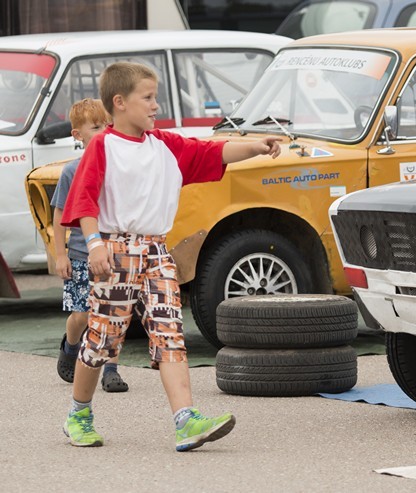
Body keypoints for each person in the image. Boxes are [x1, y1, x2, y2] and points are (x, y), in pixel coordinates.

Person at [60, 61, 281, 451]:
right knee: (102, 340)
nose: (155, 105)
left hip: (157, 250)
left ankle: (186, 420)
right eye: (147, 98)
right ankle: (79, 413)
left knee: (169, 332)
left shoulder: (164, 144)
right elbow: (85, 199)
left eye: (155, 97)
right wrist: (94, 244)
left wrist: (257, 146)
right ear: (120, 102)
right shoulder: (102, 145)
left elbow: (213, 151)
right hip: (115, 251)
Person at [52, 98, 129, 393]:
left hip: (115, 253)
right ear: (77, 134)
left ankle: (110, 369)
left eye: (106, 125)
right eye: (96, 126)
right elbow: (59, 215)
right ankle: (71, 346)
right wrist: (60, 255)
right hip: (82, 254)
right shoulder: (72, 171)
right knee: (82, 315)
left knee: (114, 313)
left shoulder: (119, 168)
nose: (103, 131)